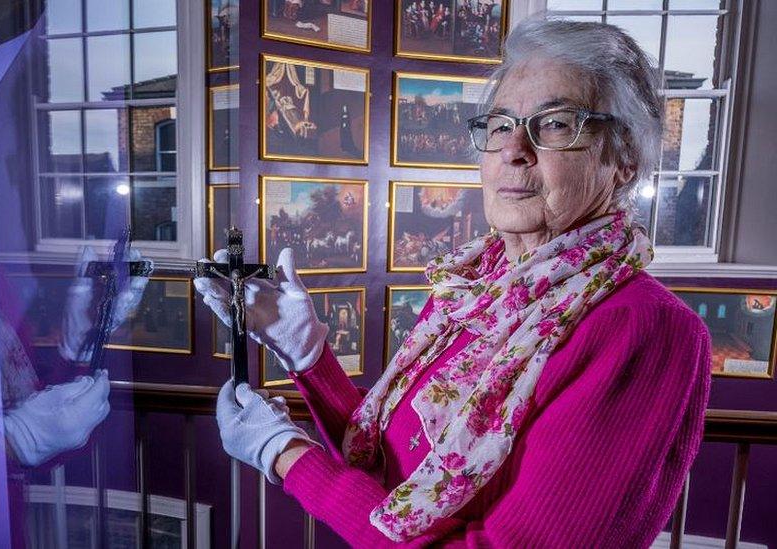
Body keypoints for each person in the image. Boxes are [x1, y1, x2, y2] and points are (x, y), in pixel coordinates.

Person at [195, 18, 712, 547]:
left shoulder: (645, 329)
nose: (515, 148)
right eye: (501, 124)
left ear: (623, 160)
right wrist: (305, 353)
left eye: (556, 123)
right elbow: (388, 462)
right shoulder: (476, 287)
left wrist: (286, 455)